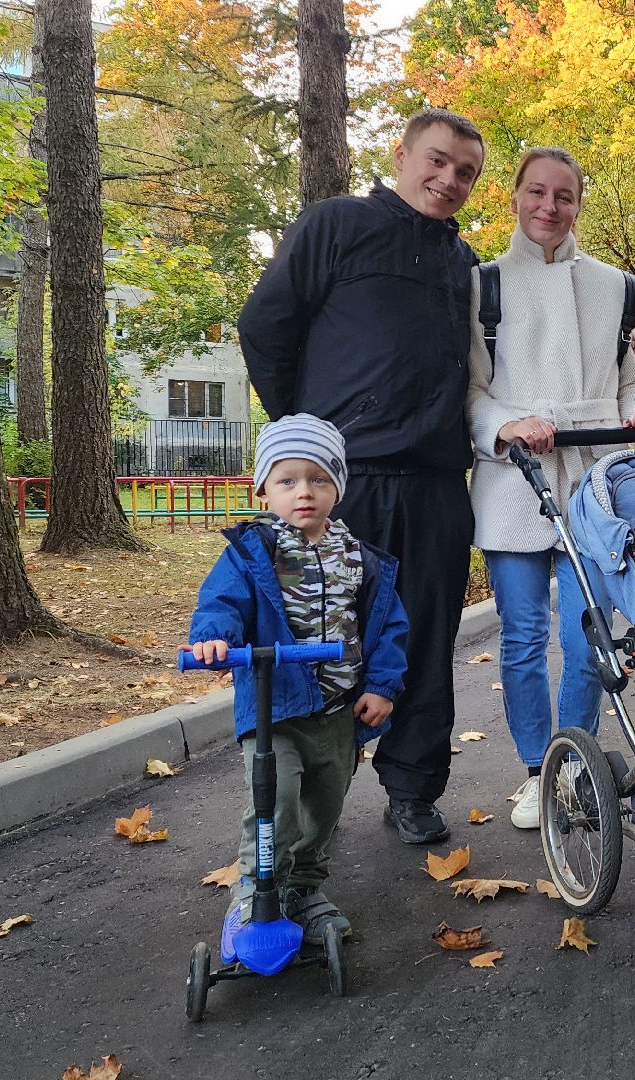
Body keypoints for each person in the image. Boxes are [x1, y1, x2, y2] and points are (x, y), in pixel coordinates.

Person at [238, 108, 485, 846]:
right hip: (347, 485)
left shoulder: (464, 262)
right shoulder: (335, 225)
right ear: (402, 154)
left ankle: (412, 787)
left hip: (437, 484)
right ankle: (312, 791)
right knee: (327, 630)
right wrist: (305, 442)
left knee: (424, 640)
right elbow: (265, 327)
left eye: (465, 172)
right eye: (437, 161)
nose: (448, 180)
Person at [465, 147, 635, 828]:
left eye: (565, 196)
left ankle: (575, 760)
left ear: (581, 202)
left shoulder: (615, 287)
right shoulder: (483, 285)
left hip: (590, 481)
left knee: (589, 637)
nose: (549, 208)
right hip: (514, 480)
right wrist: (507, 423)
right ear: (515, 196)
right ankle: (535, 771)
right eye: (536, 193)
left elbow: (627, 375)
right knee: (522, 635)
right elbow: (470, 391)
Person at [186, 414, 410, 939]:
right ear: (264, 490)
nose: (303, 492)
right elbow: (221, 601)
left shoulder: (360, 559)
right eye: (287, 481)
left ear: (338, 488)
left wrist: (382, 687)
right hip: (276, 709)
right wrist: (215, 636)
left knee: (324, 807)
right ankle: (256, 890)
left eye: (318, 479)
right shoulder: (253, 552)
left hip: (337, 711)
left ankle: (305, 886)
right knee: (277, 797)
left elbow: (389, 626)